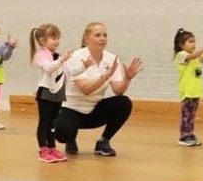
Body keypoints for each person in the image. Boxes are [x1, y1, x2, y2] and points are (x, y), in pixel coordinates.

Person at [54, 22, 143, 157]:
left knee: (124, 102)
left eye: (105, 35)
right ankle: (70, 138)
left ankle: (103, 142)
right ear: (86, 39)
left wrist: (128, 78)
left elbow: (118, 91)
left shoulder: (112, 59)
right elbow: (85, 89)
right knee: (63, 135)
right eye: (98, 35)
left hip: (94, 110)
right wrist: (105, 76)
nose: (103, 38)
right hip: (72, 109)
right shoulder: (76, 57)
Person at [31, 23, 74, 163]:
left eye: (58, 38)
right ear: (43, 40)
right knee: (44, 122)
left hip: (58, 93)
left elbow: (67, 72)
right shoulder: (40, 55)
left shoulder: (58, 56)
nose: (57, 41)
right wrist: (62, 60)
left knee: (53, 123)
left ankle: (52, 147)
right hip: (46, 93)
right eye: (53, 38)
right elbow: (49, 69)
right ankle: (43, 150)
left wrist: (84, 66)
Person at [173, 28, 203, 146]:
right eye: (190, 41)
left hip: (195, 92)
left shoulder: (195, 60)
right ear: (181, 44)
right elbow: (194, 55)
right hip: (187, 92)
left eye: (194, 41)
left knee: (192, 115)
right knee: (186, 115)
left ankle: (190, 133)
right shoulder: (181, 55)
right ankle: (184, 136)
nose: (193, 44)